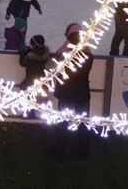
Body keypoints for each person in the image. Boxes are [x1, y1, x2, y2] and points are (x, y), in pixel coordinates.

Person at [51, 25, 93, 160]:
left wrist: (64, 48)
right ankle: (83, 151)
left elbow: (56, 60)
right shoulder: (88, 55)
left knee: (63, 123)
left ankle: (60, 151)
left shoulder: (64, 55)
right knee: (82, 123)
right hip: (82, 93)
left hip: (66, 93)